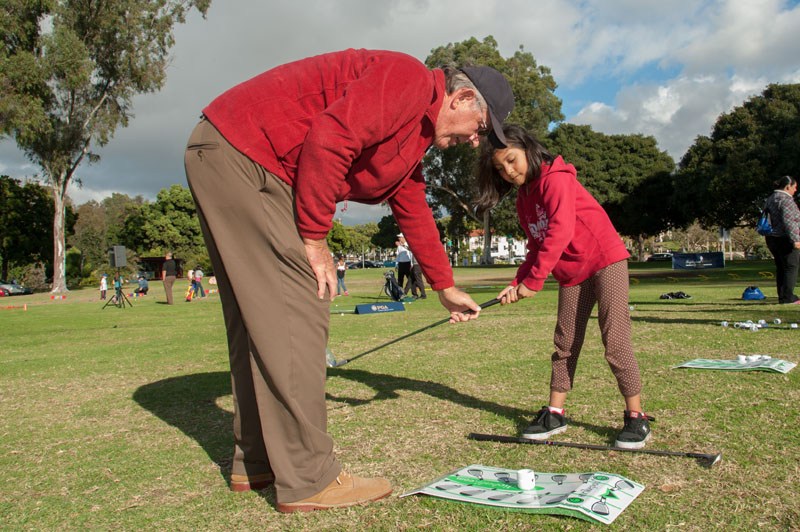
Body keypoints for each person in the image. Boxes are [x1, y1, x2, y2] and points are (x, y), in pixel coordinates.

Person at [184, 49, 513, 513]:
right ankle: (308, 478)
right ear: (460, 97)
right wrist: (315, 239)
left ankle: (256, 461)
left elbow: (411, 204)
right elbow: (332, 136)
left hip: (229, 151)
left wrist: (443, 285)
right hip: (248, 155)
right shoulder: (409, 78)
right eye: (480, 128)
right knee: (300, 305)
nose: (477, 142)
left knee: (257, 318)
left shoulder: (413, 133)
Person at [476, 124, 652, 449]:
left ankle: (636, 417)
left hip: (605, 258)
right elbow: (536, 245)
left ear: (528, 150)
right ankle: (555, 413)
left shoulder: (556, 178)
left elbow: (559, 230)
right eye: (501, 168)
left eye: (512, 161)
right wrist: (516, 282)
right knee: (565, 341)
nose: (509, 171)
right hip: (572, 269)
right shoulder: (524, 200)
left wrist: (535, 281)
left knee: (614, 338)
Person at [763, 175, 800, 304]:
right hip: (785, 238)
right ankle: (788, 297)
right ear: (788, 186)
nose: (795, 190)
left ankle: (783, 295)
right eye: (795, 187)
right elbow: (789, 221)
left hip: (772, 238)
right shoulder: (786, 200)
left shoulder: (770, 199)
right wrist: (796, 239)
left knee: (781, 267)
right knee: (791, 267)